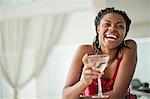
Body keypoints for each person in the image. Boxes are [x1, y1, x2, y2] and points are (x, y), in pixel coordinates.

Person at [61, 7, 137, 99]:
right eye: (107, 24)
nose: (112, 29)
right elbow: (65, 96)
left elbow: (118, 95)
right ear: (98, 29)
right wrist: (84, 81)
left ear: (125, 33)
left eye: (120, 26)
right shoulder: (84, 51)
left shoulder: (129, 47)